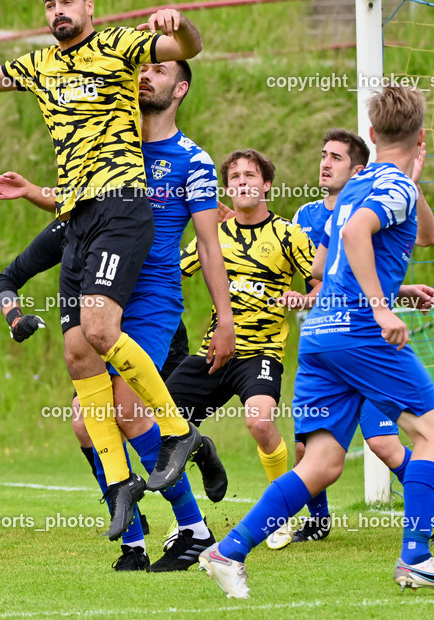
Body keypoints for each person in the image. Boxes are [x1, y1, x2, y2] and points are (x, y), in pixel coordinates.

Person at [0, 0, 205, 540]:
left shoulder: (118, 45)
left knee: (97, 328)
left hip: (119, 202)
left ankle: (176, 432)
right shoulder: (39, 64)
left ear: (89, 6)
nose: (57, 10)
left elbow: (186, 48)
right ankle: (120, 488)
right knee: (76, 354)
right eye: (49, 4)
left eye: (67, 0)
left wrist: (178, 25)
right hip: (77, 216)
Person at [198, 85, 434, 598]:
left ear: (371, 136)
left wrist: (398, 276)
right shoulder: (388, 185)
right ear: (421, 136)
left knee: (323, 463)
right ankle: (417, 556)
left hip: (320, 335)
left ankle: (229, 550)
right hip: (360, 330)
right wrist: (381, 304)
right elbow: (354, 239)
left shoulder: (361, 183)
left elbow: (387, 247)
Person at [0, 59, 233, 569]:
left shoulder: (192, 160)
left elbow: (209, 246)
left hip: (151, 300)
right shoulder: (112, 147)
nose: (146, 76)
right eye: (141, 69)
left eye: (160, 71)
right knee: (83, 422)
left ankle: (193, 529)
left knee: (125, 410)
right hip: (98, 289)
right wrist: (36, 193)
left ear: (180, 88)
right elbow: (81, 209)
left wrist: (224, 318)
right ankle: (136, 536)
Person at [279, 128, 434, 548]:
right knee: (312, 454)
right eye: (323, 155)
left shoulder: (375, 198)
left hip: (355, 338)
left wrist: (392, 297)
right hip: (342, 338)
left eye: (336, 157)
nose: (325, 163)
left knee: (385, 444)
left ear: (358, 168)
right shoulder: (310, 215)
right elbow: (330, 276)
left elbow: (418, 239)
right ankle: (318, 524)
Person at [159, 148, 318, 568]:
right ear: (227, 188)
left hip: (261, 352)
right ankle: (201, 466)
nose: (243, 181)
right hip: (215, 350)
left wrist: (304, 297)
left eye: (252, 175)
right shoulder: (216, 236)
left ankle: (279, 512)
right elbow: (172, 270)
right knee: (161, 422)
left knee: (260, 421)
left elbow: (322, 283)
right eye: (235, 177)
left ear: (267, 184)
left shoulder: (288, 235)